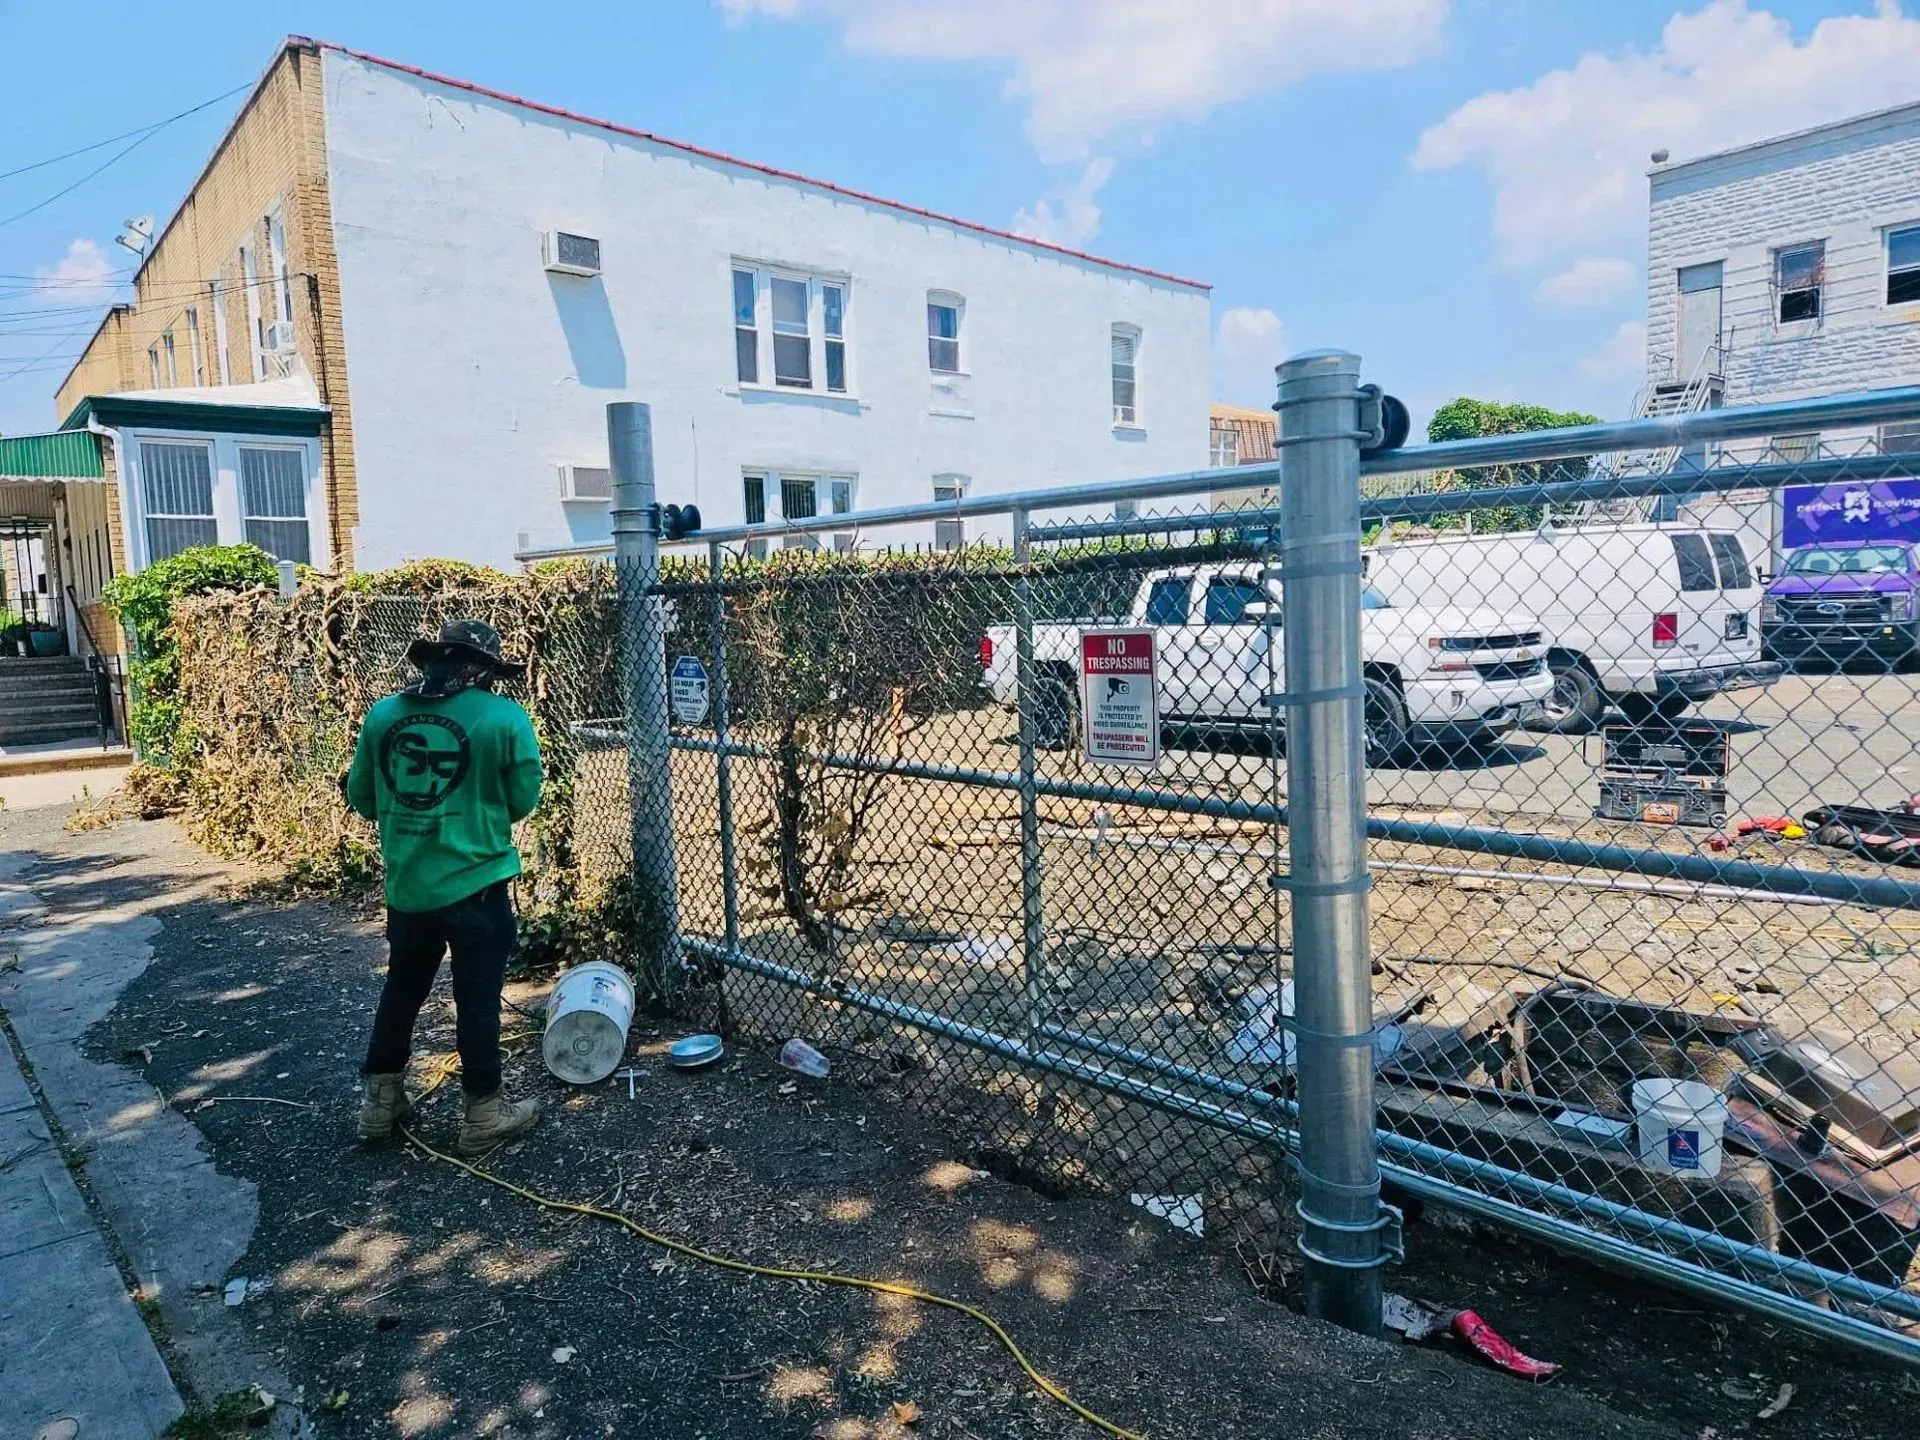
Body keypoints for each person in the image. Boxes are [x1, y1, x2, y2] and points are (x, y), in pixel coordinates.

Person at [346, 618, 544, 1155]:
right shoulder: (504, 717)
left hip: (408, 886)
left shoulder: (383, 715)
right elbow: (524, 798)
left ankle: (380, 1103)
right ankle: (483, 1113)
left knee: (403, 989)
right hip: (478, 883)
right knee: (476, 999)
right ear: (481, 671)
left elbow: (362, 797)